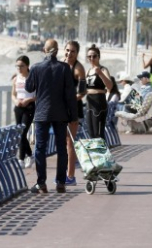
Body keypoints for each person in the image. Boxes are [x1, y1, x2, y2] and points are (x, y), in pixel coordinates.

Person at [25, 39, 78, 194]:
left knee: (40, 148)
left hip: (42, 113)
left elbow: (29, 87)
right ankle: (61, 182)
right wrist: (73, 116)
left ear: (44, 50)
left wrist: (32, 73)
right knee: (61, 148)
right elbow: (70, 95)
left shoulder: (36, 68)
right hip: (60, 114)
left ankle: (41, 183)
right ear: (57, 50)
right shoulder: (64, 68)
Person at [62, 40, 86, 187]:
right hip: (60, 109)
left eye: (72, 51)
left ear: (77, 54)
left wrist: (69, 99)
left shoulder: (78, 69)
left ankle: (70, 176)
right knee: (63, 142)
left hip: (73, 110)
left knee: (70, 142)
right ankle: (63, 174)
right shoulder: (60, 65)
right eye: (67, 50)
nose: (69, 54)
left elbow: (82, 92)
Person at [11, 56, 35, 168]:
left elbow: (38, 95)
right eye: (17, 66)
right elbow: (13, 94)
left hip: (29, 107)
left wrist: (28, 100)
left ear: (27, 66)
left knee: (23, 132)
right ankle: (30, 155)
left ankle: (21, 159)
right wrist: (16, 101)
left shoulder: (32, 78)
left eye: (22, 66)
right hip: (18, 107)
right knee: (19, 132)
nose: (19, 68)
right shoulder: (16, 79)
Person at [85, 44, 113, 141]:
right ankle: (94, 154)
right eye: (89, 56)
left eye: (94, 56)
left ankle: (102, 155)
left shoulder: (103, 69)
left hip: (99, 103)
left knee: (98, 133)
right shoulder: (88, 71)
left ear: (98, 57)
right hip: (89, 103)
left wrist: (100, 74)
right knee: (91, 132)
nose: (92, 58)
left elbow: (110, 86)